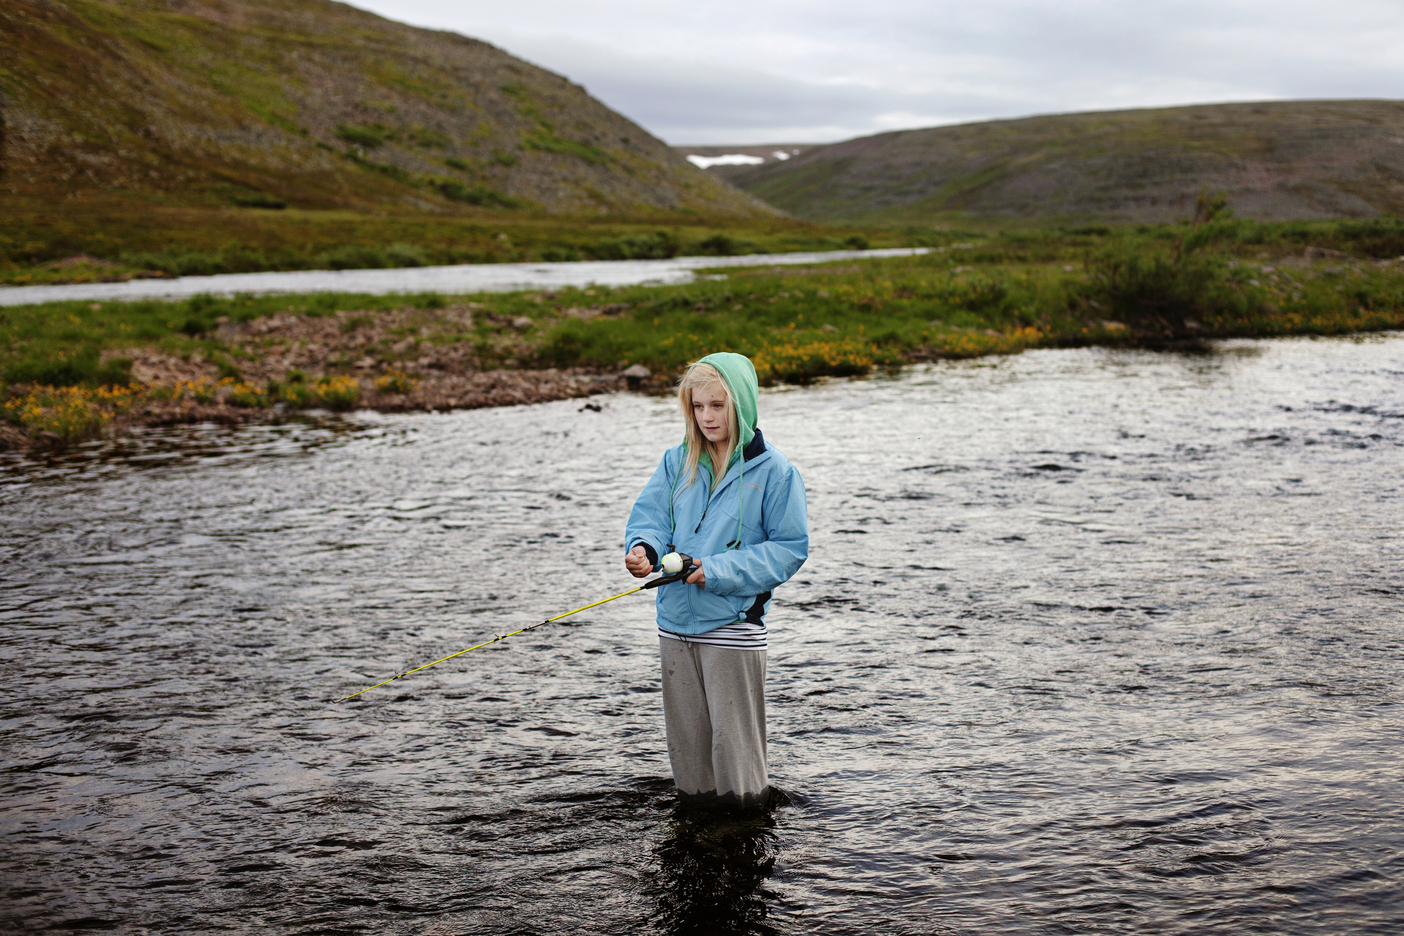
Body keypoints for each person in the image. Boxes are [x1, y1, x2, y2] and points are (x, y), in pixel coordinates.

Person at [624, 352, 808, 808]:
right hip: (673, 626)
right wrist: (643, 549)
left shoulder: (776, 472)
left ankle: (745, 839)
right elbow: (650, 517)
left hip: (734, 629)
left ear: (741, 404)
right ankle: (698, 831)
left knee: (736, 761)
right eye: (698, 407)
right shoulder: (676, 461)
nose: (706, 417)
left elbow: (789, 550)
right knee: (689, 760)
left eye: (718, 406)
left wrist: (716, 571)